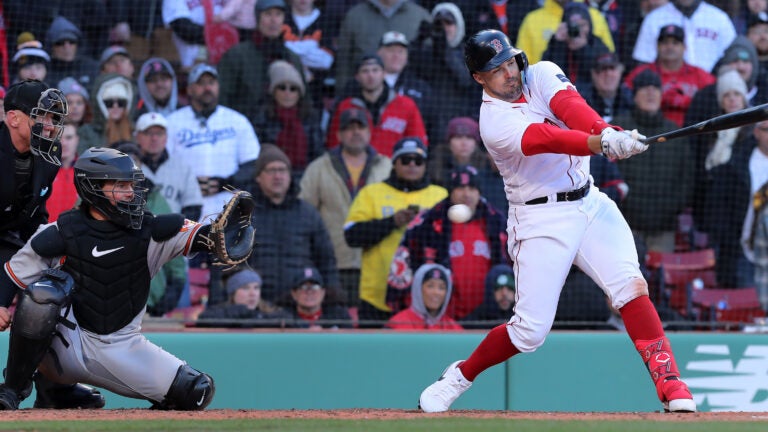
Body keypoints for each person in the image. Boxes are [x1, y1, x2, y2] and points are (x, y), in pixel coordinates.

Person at [418, 29, 696, 414]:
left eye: (511, 62)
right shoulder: (492, 122)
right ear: (479, 78)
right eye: (496, 70)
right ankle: (461, 375)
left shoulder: (542, 72)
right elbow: (545, 138)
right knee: (529, 332)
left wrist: (605, 131)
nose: (510, 73)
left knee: (630, 288)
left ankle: (671, 382)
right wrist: (600, 144)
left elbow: (571, 109)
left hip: (590, 201)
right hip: (540, 218)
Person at [0, 147, 222, 411]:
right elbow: (12, 274)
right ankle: (15, 389)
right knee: (42, 294)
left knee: (196, 392)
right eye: (120, 185)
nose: (130, 191)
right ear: (93, 188)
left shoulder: (151, 229)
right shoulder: (60, 231)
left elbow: (205, 236)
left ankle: (58, 395)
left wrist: (223, 234)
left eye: (132, 184)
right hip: (66, 345)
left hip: (122, 346)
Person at [0, 80, 104, 409]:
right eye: (42, 117)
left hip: (16, 240)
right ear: (14, 118)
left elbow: (36, 216)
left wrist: (54, 254)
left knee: (63, 288)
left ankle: (53, 389)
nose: (50, 126)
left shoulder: (49, 151)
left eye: (54, 118)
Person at [345, 137, 447, 326]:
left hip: (425, 298)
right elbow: (351, 235)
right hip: (377, 296)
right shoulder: (371, 193)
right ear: (394, 163)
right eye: (405, 160)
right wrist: (392, 222)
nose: (412, 165)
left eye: (418, 161)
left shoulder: (440, 196)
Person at [387, 164, 510, 320]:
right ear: (450, 192)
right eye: (460, 188)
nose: (467, 194)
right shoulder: (427, 223)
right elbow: (403, 264)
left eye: (472, 188)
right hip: (440, 317)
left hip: (487, 316)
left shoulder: (496, 223)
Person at [299, 107, 392, 306]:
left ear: (370, 132)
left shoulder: (387, 166)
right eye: (349, 128)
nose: (355, 132)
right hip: (333, 264)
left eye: (361, 127)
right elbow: (304, 215)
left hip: (377, 265)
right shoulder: (319, 168)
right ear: (339, 134)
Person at [246, 144, 340, 307]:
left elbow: (326, 261)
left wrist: (333, 301)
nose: (278, 176)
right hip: (257, 305)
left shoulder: (308, 213)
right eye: (271, 170)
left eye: (282, 170)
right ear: (258, 177)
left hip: (301, 304)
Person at [165, 63, 261, 221]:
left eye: (211, 83)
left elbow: (252, 165)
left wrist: (226, 182)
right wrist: (189, 184)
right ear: (189, 89)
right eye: (201, 83)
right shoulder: (173, 122)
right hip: (184, 208)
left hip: (229, 208)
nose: (207, 88)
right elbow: (164, 165)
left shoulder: (237, 120)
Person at [614, 69, 693, 253]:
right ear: (634, 96)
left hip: (664, 228)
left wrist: (671, 209)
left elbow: (687, 180)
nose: (650, 92)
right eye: (644, 88)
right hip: (624, 225)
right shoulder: (619, 129)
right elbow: (609, 174)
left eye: (655, 88)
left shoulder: (674, 133)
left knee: (662, 280)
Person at [326, 55, 428, 156]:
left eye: (375, 70)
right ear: (357, 77)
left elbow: (418, 143)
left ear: (384, 74)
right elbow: (334, 144)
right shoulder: (345, 107)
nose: (371, 75)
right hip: (355, 169)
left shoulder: (406, 105)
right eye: (365, 71)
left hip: (392, 169)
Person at [217, 0, 305, 117]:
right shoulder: (237, 55)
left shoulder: (292, 58)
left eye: (278, 14)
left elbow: (304, 101)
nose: (273, 20)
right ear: (258, 18)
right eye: (268, 14)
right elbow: (223, 98)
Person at [623, 24, 715, 127]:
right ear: (657, 46)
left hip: (692, 131)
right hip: (652, 130)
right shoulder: (642, 73)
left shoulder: (699, 75)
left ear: (684, 47)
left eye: (675, 43)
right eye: (665, 43)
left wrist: (688, 102)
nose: (669, 47)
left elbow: (715, 98)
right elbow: (626, 97)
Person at [334, 0, 431, 92]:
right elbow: (343, 63)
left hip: (411, 97)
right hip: (363, 97)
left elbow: (431, 64)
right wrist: (342, 95)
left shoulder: (420, 16)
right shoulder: (355, 16)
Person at [249, 60, 324, 178]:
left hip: (306, 177)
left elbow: (318, 153)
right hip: (271, 177)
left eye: (293, 88)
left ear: (299, 93)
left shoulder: (310, 117)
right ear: (274, 91)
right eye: (282, 87)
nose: (287, 93)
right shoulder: (262, 118)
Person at [632, 0, 736, 73]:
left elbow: (733, 59)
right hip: (667, 91)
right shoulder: (654, 18)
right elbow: (643, 63)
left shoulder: (720, 18)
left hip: (711, 90)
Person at [135, 112, 203, 222]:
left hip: (174, 234)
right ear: (137, 137)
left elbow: (194, 208)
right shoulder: (127, 166)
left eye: (159, 133)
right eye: (148, 133)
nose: (154, 138)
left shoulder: (182, 167)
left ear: (166, 137)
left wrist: (177, 231)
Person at [516, 0, 615, 65]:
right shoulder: (532, 20)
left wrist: (586, 45)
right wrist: (555, 42)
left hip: (591, 93)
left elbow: (610, 59)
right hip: (546, 91)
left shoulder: (595, 16)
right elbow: (522, 65)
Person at [541, 2, 611, 89]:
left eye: (582, 25)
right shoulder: (556, 43)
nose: (578, 30)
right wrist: (558, 45)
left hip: (590, 98)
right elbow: (546, 73)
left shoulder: (596, 43)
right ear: (565, 24)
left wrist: (584, 48)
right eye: (574, 25)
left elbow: (604, 70)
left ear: (590, 25)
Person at [197, 267, 291, 327]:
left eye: (256, 288)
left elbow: (290, 321)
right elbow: (203, 320)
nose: (253, 293)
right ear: (233, 293)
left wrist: (255, 316)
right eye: (245, 288)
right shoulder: (217, 312)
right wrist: (239, 311)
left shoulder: (271, 312)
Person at [386, 263, 462, 330]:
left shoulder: (453, 328)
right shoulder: (396, 325)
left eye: (441, 288)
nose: (436, 292)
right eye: (430, 286)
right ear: (418, 289)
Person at [77, 73, 135, 153]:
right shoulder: (87, 132)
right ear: (99, 104)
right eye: (109, 103)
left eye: (121, 102)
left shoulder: (134, 131)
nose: (115, 106)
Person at [44, 16, 100, 92]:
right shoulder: (44, 71)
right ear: (51, 47)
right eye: (60, 43)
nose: (67, 47)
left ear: (77, 45)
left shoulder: (92, 68)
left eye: (71, 41)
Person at [286, 266, 352, 329]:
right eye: (304, 287)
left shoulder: (339, 317)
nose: (309, 292)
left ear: (323, 292)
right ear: (294, 294)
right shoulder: (283, 320)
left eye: (315, 287)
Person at [579, 52, 634, 124]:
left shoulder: (631, 100)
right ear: (593, 74)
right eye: (603, 69)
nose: (608, 73)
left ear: (620, 72)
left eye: (612, 68)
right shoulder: (582, 100)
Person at [461, 263, 516, 329]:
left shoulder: (523, 320)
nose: (504, 293)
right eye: (499, 288)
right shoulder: (475, 322)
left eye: (509, 288)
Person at [46, 124, 80, 221]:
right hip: (47, 232)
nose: (64, 143)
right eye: (59, 138)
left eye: (69, 138)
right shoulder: (43, 170)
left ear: (77, 139)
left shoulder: (88, 172)